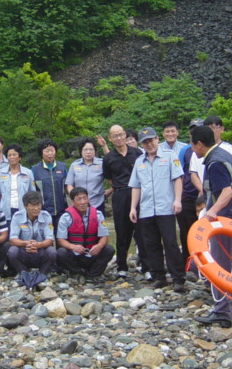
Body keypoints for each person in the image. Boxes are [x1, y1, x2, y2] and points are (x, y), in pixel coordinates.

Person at [190, 125, 232, 327]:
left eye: (192, 144)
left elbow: (227, 192)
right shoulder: (225, 155)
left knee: (219, 266)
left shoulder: (215, 162)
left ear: (199, 144)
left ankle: (221, 312)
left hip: (226, 221)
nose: (192, 148)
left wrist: (213, 211)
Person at [128, 127, 185, 291]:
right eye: (145, 142)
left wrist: (178, 200)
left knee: (170, 243)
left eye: (151, 140)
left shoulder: (169, 156)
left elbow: (177, 179)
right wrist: (133, 207)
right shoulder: (139, 161)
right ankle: (158, 277)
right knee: (151, 244)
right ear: (141, 144)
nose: (149, 144)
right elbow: (136, 186)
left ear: (157, 139)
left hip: (166, 208)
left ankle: (178, 278)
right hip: (146, 209)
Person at [102, 124, 147, 279]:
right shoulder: (108, 158)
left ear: (125, 135)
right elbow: (109, 179)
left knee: (142, 231)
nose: (119, 138)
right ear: (110, 138)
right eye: (115, 136)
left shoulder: (137, 153)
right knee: (121, 231)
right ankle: (122, 266)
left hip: (138, 193)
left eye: (121, 134)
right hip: (120, 194)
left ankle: (146, 266)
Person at [56, 187, 114, 280]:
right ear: (73, 202)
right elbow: (60, 240)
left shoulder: (98, 214)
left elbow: (104, 236)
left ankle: (92, 274)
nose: (83, 202)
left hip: (92, 253)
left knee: (109, 249)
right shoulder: (65, 217)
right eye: (79, 199)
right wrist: (73, 247)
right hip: (75, 255)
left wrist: (99, 246)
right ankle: (77, 272)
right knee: (61, 252)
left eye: (85, 198)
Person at [7, 191, 57, 278]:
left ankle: (42, 274)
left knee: (52, 251)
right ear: (25, 206)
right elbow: (12, 239)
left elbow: (49, 239)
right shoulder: (17, 216)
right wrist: (26, 243)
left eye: (38, 205)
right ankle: (23, 273)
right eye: (32, 205)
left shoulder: (46, 216)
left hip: (40, 251)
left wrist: (38, 245)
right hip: (24, 250)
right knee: (12, 251)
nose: (36, 208)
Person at [177, 119, 204, 271]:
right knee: (186, 231)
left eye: (198, 129)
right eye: (192, 130)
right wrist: (178, 196)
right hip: (187, 195)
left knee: (202, 231)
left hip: (204, 197)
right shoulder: (185, 151)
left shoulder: (208, 148)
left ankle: (203, 262)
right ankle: (186, 263)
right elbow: (179, 173)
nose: (195, 132)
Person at [31, 138, 67, 233]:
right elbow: (32, 191)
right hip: (43, 211)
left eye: (52, 150)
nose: (50, 153)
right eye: (47, 151)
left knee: (61, 237)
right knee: (46, 238)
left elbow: (67, 187)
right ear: (41, 153)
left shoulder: (62, 167)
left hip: (61, 211)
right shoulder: (35, 169)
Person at [66, 138, 110, 215]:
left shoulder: (101, 163)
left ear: (95, 151)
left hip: (97, 203)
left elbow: (112, 163)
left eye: (91, 149)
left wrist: (110, 190)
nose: (88, 152)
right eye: (85, 149)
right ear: (81, 151)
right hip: (79, 204)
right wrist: (75, 197)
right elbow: (69, 184)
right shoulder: (74, 165)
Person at [0, 143, 35, 224]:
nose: (12, 157)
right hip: (5, 211)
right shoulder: (1, 173)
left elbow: (32, 193)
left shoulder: (28, 173)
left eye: (14, 155)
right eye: (9, 155)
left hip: (23, 210)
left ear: (19, 157)